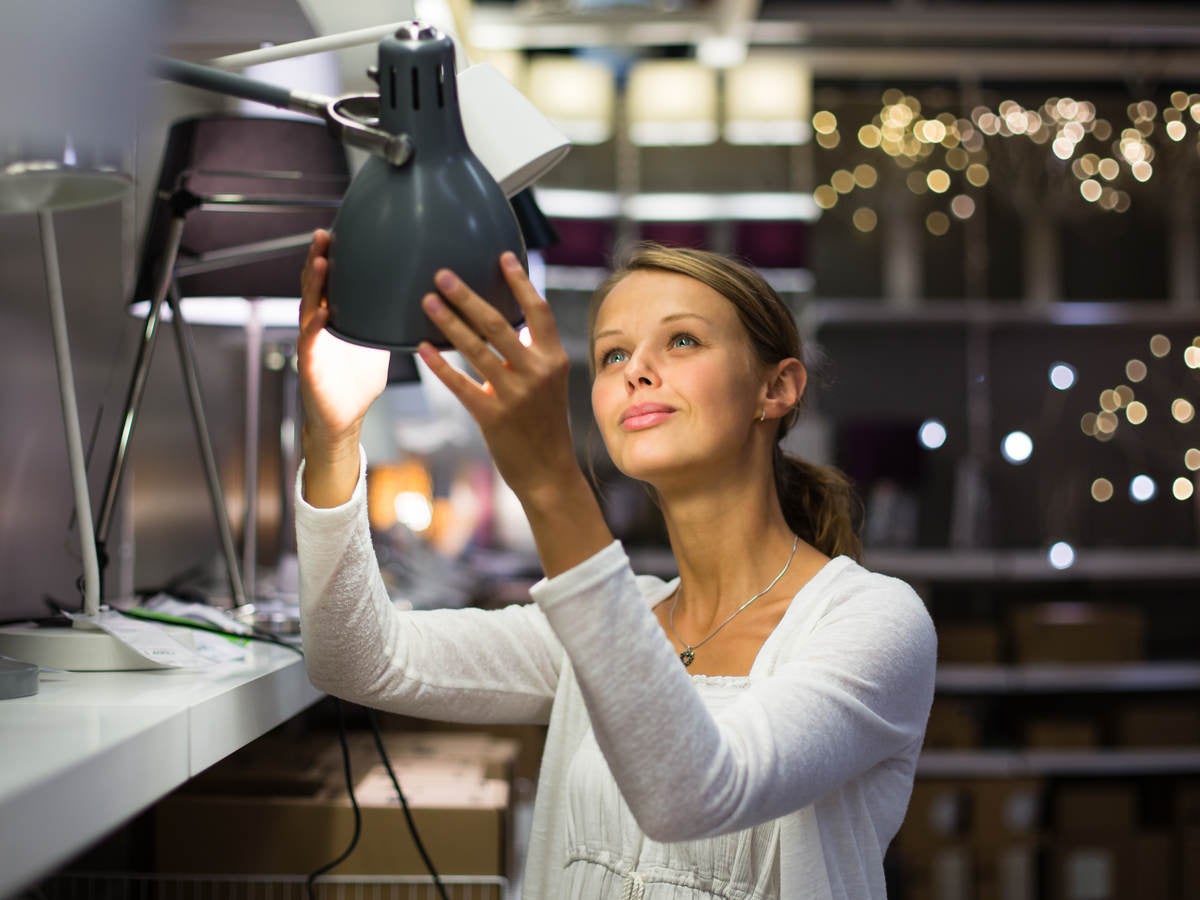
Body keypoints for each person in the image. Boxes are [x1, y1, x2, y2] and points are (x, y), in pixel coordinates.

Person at [295, 230, 937, 900]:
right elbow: (356, 657)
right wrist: (333, 437)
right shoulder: (611, 621)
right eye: (613, 354)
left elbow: (694, 794)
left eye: (682, 340)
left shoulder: (872, 622)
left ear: (775, 389)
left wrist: (551, 482)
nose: (636, 370)